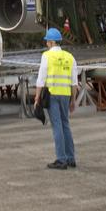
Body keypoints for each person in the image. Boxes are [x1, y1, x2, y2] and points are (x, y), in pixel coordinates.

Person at [34, 27, 79, 170]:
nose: (46, 43)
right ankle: (70, 158)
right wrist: (73, 100)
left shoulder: (46, 56)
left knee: (57, 126)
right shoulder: (70, 57)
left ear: (52, 42)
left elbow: (41, 79)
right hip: (65, 95)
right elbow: (74, 82)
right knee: (65, 125)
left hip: (52, 94)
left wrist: (36, 98)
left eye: (47, 41)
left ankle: (61, 159)